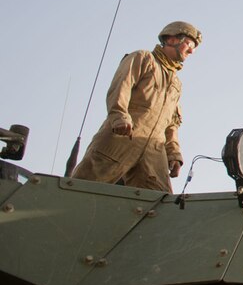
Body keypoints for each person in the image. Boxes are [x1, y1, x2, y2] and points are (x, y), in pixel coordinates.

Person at [72, 21, 201, 193]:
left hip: (153, 150)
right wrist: (119, 116)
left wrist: (173, 153)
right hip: (122, 136)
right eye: (189, 44)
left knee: (159, 204)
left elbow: (172, 124)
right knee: (82, 190)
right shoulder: (143, 59)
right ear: (171, 39)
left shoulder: (176, 84)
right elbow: (121, 86)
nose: (192, 50)